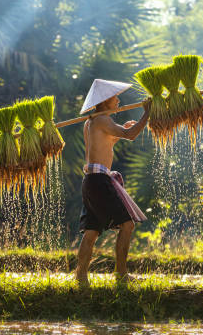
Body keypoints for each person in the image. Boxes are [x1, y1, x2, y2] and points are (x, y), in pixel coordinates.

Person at [75, 79, 150, 285]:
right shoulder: (103, 121)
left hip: (90, 180)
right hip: (99, 181)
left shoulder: (91, 122)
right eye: (115, 97)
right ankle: (121, 274)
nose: (118, 100)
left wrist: (121, 131)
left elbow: (106, 142)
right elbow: (131, 135)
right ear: (106, 101)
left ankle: (81, 277)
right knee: (127, 225)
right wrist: (146, 114)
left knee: (91, 231)